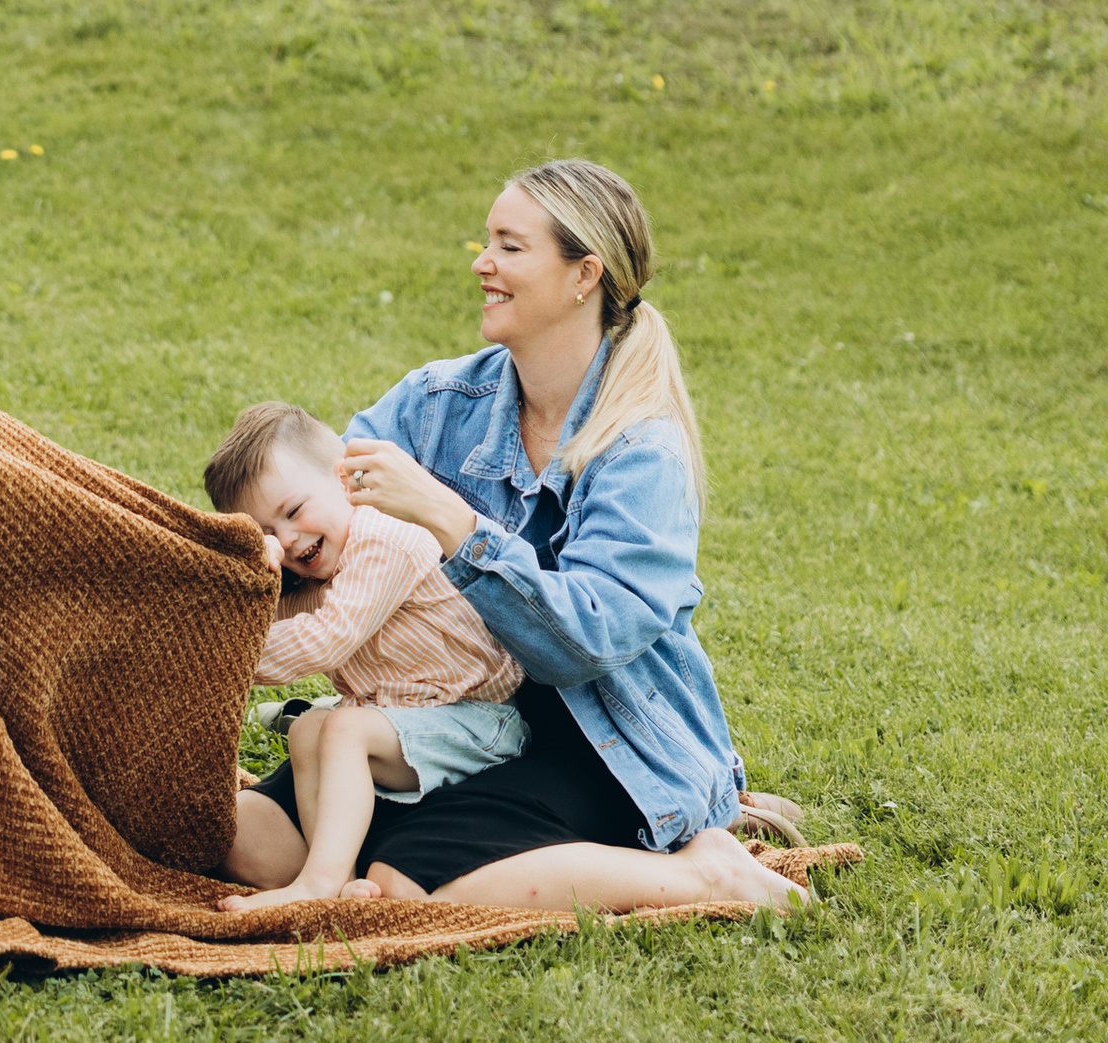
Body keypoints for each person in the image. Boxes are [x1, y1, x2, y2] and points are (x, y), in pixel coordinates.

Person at [224, 159, 806, 914]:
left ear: (582, 276)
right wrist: (252, 553)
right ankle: (413, 842)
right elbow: (315, 507)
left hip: (597, 735)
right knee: (248, 839)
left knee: (404, 884)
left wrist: (451, 521)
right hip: (442, 717)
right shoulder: (439, 400)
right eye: (487, 241)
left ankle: (705, 871)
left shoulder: (640, 452)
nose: (482, 263)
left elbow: (585, 645)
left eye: (510, 246)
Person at [198, 400, 525, 910]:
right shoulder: (315, 567)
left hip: (478, 719)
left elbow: (326, 636)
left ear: (345, 479)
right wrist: (249, 579)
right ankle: (336, 875)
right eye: (266, 533)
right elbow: (270, 619)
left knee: (346, 729)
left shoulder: (384, 538)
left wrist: (220, 655)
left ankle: (317, 886)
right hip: (408, 715)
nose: (287, 539)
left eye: (293, 510)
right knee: (309, 728)